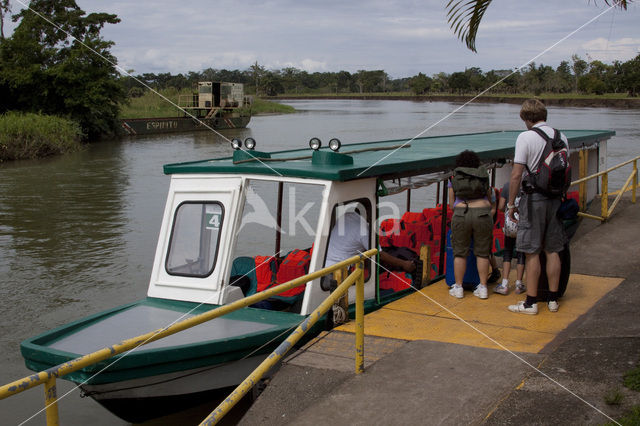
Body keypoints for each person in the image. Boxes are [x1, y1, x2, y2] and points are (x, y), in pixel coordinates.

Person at [507, 99, 568, 315]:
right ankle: (552, 300)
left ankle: (530, 302)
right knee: (553, 250)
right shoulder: (561, 137)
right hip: (555, 199)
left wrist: (510, 204)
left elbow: (516, 175)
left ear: (526, 118)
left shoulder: (526, 137)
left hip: (533, 200)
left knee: (531, 251)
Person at [448, 150, 494, 299]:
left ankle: (459, 287)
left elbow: (450, 204)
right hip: (482, 213)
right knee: (482, 252)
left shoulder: (454, 176)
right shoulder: (483, 174)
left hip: (461, 213)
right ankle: (483, 287)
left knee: (460, 252)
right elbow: (489, 196)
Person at [493, 181, 526, 295]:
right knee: (521, 253)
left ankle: (505, 284)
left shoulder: (508, 186)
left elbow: (501, 207)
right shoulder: (528, 185)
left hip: (510, 224)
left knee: (507, 251)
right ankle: (518, 284)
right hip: (523, 223)